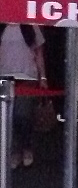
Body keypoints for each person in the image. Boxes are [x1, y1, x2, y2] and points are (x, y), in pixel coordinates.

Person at [0, 23, 46, 168]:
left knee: (23, 115)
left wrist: (43, 77)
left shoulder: (31, 26)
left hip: (27, 77)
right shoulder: (2, 26)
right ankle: (14, 150)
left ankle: (26, 147)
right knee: (9, 117)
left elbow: (39, 54)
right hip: (5, 77)